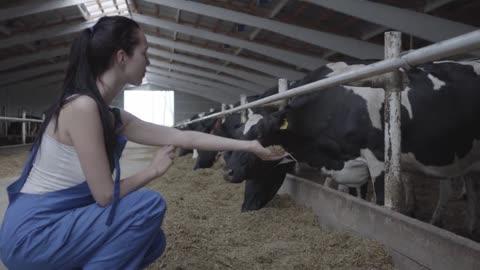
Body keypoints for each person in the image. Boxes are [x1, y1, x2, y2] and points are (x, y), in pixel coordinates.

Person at [0, 16, 282, 270]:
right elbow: (105, 196)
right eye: (144, 53)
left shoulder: (109, 115)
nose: (148, 61)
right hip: (33, 234)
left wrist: (248, 146)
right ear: (122, 57)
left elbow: (181, 136)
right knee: (147, 206)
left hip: (59, 224)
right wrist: (153, 171)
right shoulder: (82, 107)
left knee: (152, 240)